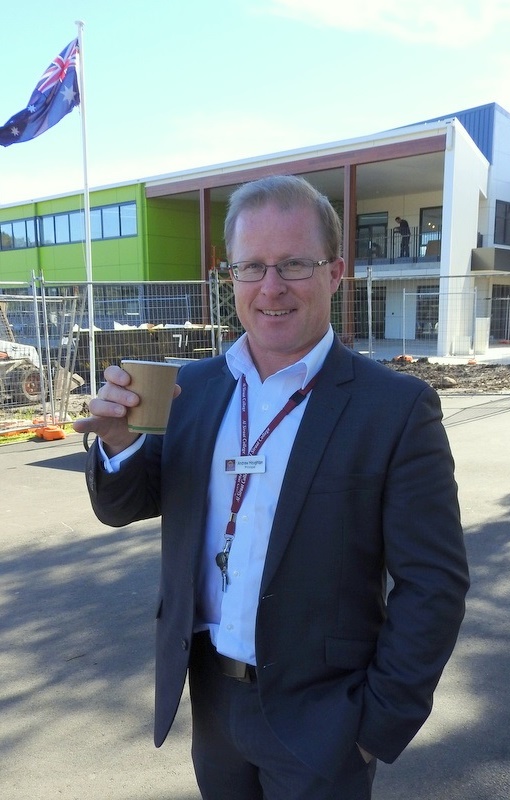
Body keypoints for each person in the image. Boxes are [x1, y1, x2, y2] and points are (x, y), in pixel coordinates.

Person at [74, 175, 469, 800]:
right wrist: (119, 445)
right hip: (212, 704)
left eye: (294, 264)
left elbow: (434, 585)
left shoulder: (394, 408)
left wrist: (374, 727)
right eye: (251, 267)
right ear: (229, 278)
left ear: (336, 272)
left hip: (325, 722)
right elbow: (125, 505)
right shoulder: (194, 388)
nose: (271, 286)